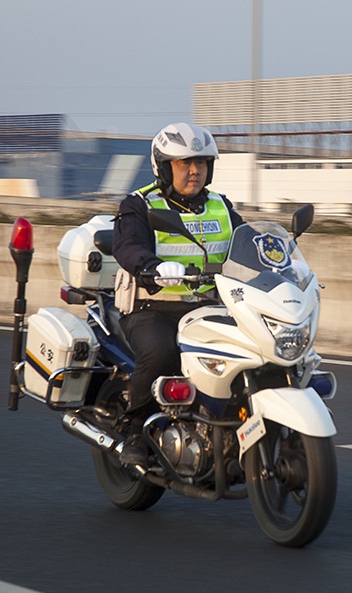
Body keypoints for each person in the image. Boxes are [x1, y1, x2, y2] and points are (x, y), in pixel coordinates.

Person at [112, 122, 244, 467]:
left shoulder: (221, 206)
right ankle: (135, 431)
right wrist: (152, 266)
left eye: (201, 163)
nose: (194, 170)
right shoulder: (139, 205)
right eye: (184, 163)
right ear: (164, 167)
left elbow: (247, 242)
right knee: (161, 352)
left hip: (211, 308)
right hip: (153, 307)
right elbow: (128, 246)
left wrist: (279, 260)